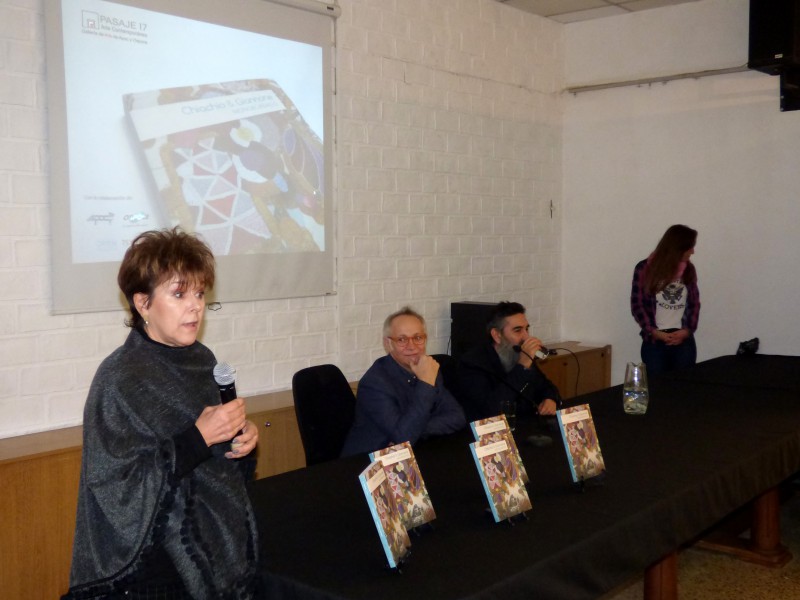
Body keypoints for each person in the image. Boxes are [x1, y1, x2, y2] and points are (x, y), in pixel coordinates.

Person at [64, 228, 261, 599]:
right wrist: (199, 437)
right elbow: (115, 488)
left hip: (212, 549)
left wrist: (240, 438)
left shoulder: (202, 360)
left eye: (200, 293)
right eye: (179, 294)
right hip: (150, 573)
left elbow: (214, 459)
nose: (196, 306)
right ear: (143, 303)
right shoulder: (119, 379)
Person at [341, 306, 466, 456]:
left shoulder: (429, 369)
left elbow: (457, 417)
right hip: (369, 462)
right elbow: (404, 439)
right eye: (402, 339)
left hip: (411, 454)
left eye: (418, 338)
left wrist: (417, 429)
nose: (412, 346)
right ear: (388, 344)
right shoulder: (375, 383)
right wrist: (426, 384)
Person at [457, 301, 561, 423]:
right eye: (518, 330)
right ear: (497, 335)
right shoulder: (472, 363)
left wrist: (550, 398)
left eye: (526, 329)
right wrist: (522, 366)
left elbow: (547, 387)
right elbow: (492, 410)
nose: (526, 337)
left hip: (526, 425)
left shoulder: (518, 353)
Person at [630, 224, 700, 375]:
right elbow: (637, 304)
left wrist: (687, 331)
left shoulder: (689, 270)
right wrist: (652, 331)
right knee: (657, 387)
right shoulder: (644, 269)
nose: (693, 251)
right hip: (654, 343)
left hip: (684, 344)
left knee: (683, 386)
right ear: (678, 248)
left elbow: (694, 304)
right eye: (690, 247)